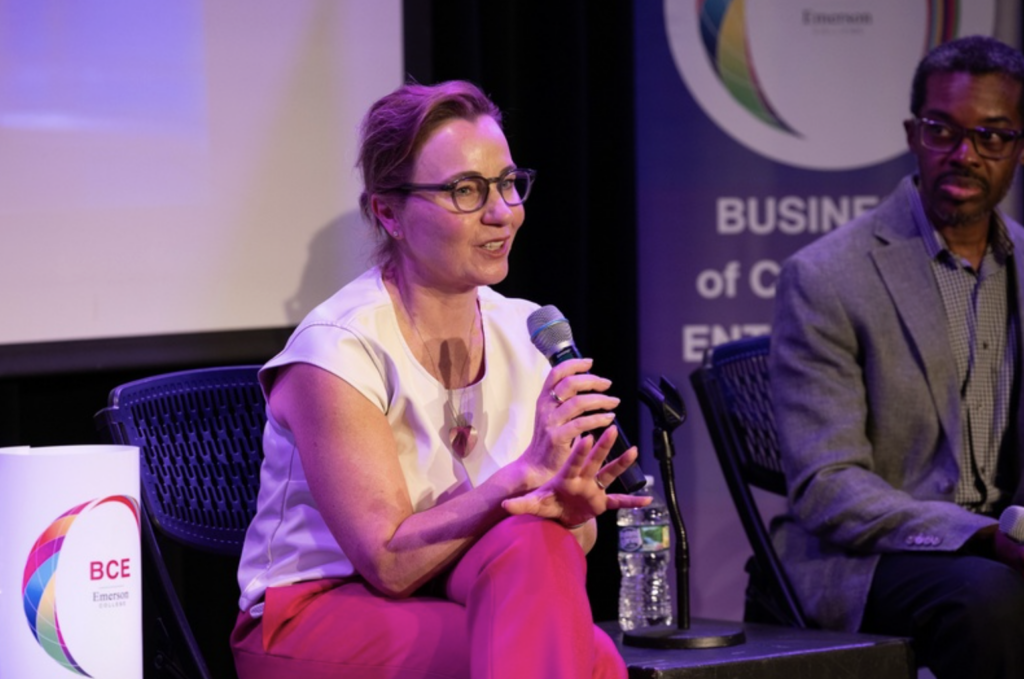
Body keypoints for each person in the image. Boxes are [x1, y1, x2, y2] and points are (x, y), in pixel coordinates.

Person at [229, 80, 648, 679]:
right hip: (318, 608)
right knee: (587, 658)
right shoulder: (338, 350)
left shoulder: (526, 329)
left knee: (541, 550)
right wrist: (517, 478)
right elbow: (389, 564)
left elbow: (551, 553)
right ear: (388, 212)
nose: (502, 211)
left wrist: (568, 513)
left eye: (507, 184)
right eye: (465, 191)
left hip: (456, 586)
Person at [770, 35, 1024, 678]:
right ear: (914, 134)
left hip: (1009, 542)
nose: (965, 154)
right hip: (875, 555)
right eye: (944, 130)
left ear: (1018, 149)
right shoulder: (829, 276)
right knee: (990, 599)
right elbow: (826, 487)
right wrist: (983, 536)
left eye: (991, 136)